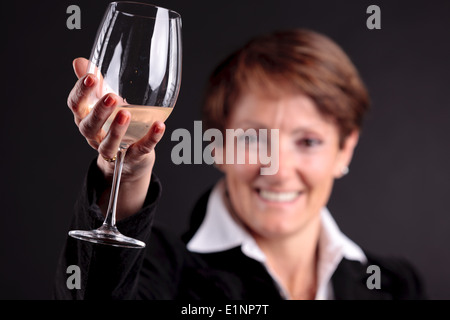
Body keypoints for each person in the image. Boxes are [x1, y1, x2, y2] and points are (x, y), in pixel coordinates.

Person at [55, 29, 425, 300]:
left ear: (345, 150)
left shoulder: (396, 285)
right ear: (216, 146)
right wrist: (124, 172)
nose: (277, 170)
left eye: (308, 141)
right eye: (252, 139)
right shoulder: (162, 270)